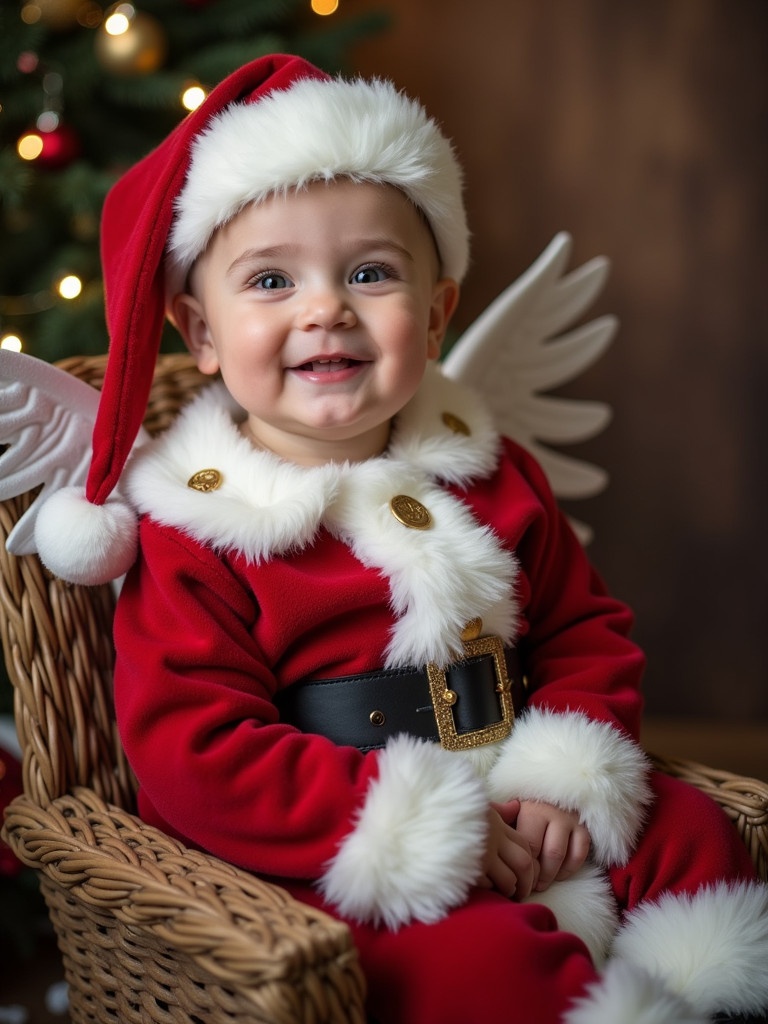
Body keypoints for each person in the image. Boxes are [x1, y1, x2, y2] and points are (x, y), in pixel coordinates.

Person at [33, 54, 768, 1024]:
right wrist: (421, 824)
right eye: (270, 279)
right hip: (349, 852)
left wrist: (562, 779)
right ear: (199, 332)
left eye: (370, 272)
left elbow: (585, 627)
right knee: (476, 966)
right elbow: (196, 750)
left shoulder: (490, 472)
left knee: (693, 833)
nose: (325, 306)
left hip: (519, 786)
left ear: (434, 313)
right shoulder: (197, 532)